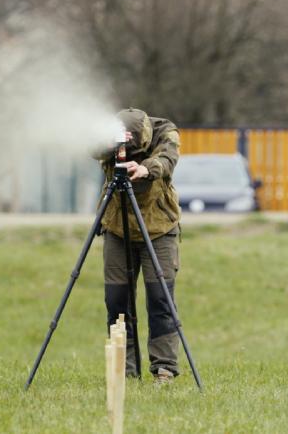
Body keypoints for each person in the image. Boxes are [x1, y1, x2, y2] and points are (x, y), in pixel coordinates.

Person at [95, 108, 182, 384]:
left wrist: (145, 168)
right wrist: (110, 144)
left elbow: (167, 160)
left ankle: (164, 369)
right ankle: (124, 370)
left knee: (160, 298)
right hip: (117, 228)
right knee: (117, 301)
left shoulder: (165, 131)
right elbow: (92, 149)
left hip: (159, 229)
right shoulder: (109, 136)